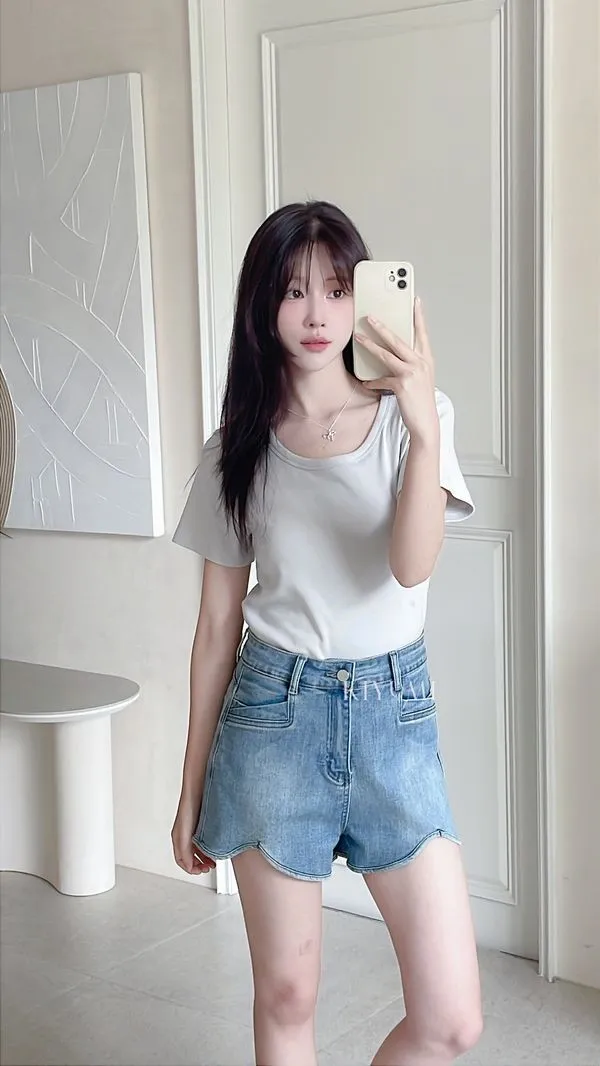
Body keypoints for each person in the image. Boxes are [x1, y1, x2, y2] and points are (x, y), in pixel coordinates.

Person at [171, 200, 483, 1066]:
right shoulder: (235, 450)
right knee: (287, 999)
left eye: (339, 290)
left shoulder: (417, 419)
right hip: (272, 718)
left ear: (363, 300)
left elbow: (411, 566)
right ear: (262, 305)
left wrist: (421, 427)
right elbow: (215, 628)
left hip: (394, 719)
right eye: (294, 290)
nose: (317, 313)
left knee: (451, 1019)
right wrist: (190, 790)